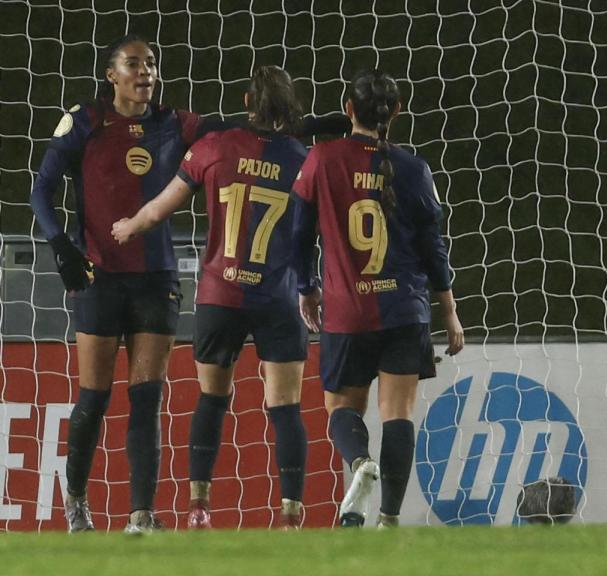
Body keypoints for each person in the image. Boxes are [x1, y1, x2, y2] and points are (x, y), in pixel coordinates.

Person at [112, 65, 313, 530]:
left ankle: (199, 507)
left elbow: (161, 206)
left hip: (221, 293)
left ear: (246, 102)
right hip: (278, 298)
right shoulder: (303, 159)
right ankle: (290, 515)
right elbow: (312, 233)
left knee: (211, 399)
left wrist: (129, 226)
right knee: (284, 407)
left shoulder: (214, 147)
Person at [30, 34, 203, 535]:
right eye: (133, 63)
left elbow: (232, 131)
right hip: (99, 278)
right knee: (94, 398)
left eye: (151, 62)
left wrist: (308, 125)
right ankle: (77, 503)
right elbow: (43, 185)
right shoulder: (88, 120)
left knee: (147, 398)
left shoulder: (174, 123)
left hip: (156, 280)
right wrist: (61, 244)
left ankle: (140, 516)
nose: (145, 71)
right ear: (112, 75)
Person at [292, 68, 465, 528]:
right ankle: (388, 518)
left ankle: (358, 463)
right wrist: (449, 310)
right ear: (399, 112)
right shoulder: (414, 168)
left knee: (341, 410)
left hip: (348, 312)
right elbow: (433, 247)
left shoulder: (322, 160)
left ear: (349, 109)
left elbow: (298, 234)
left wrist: (306, 289)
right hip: (405, 311)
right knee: (398, 414)